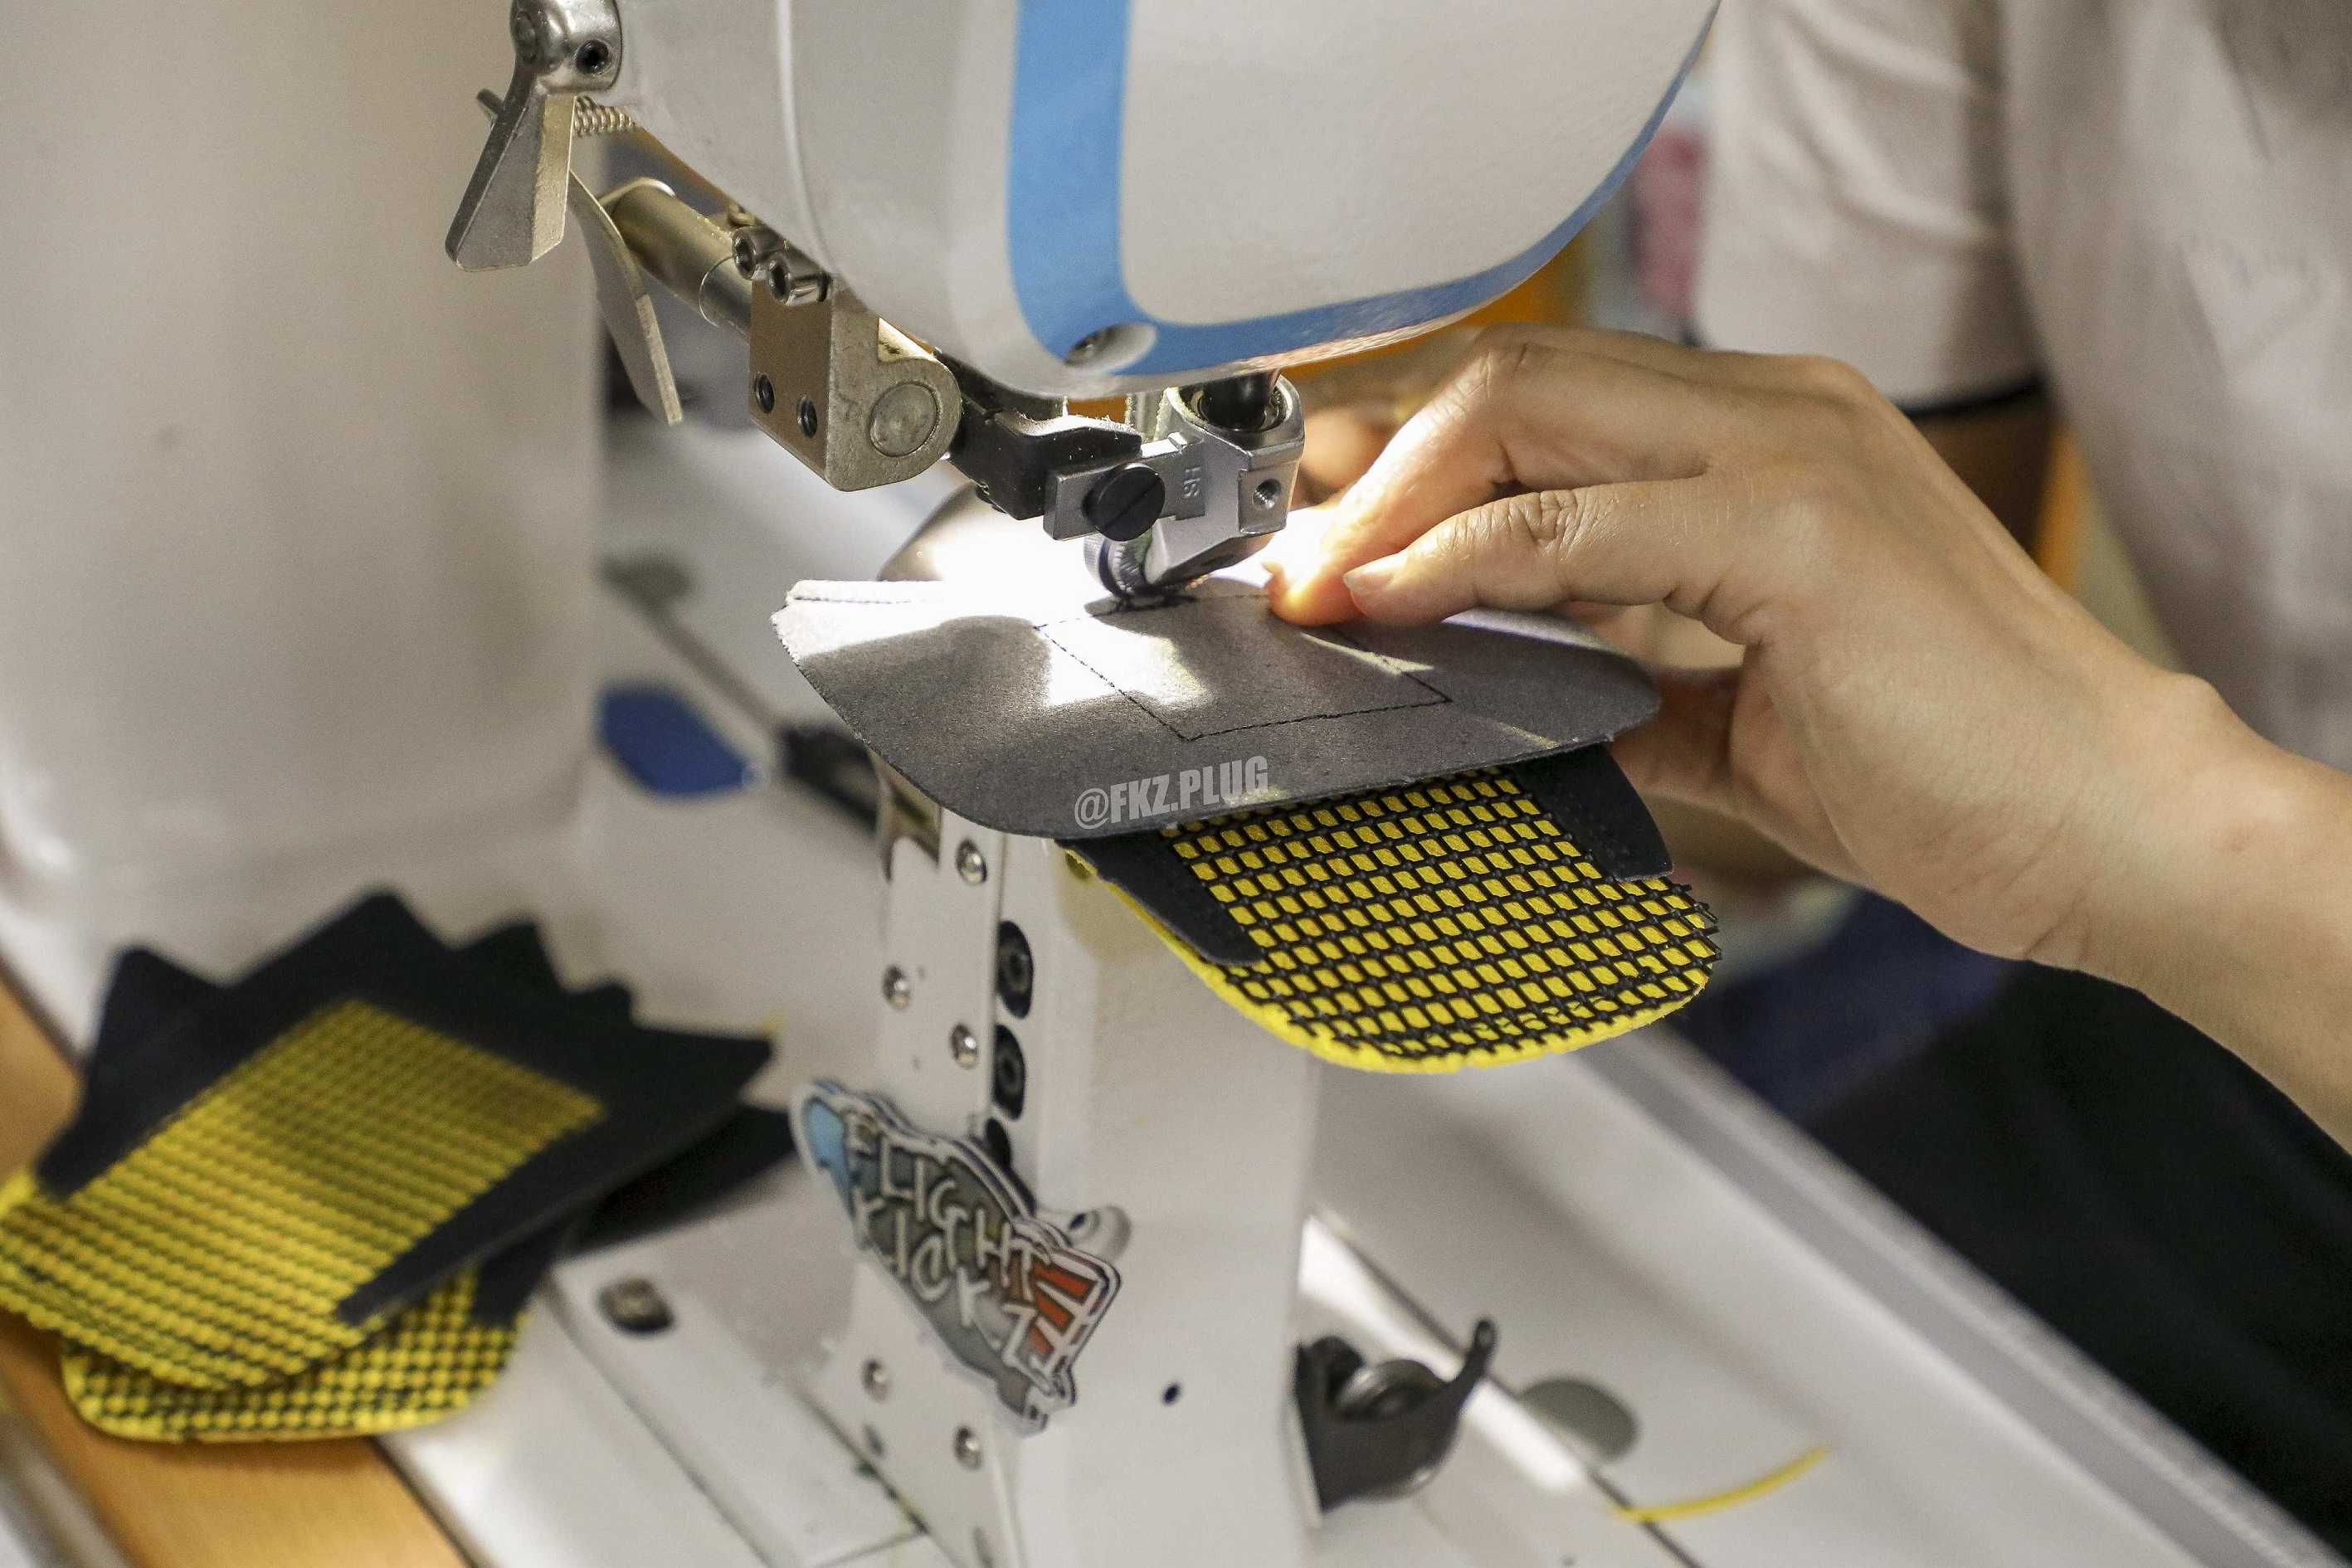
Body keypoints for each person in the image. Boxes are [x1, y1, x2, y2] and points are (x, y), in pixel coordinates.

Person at [1267, 0, 2352, 1547]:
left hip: (2210, 912)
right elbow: (1840, 725)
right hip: (2213, 986)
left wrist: (2153, 827)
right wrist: (1527, 645)